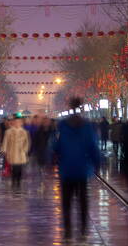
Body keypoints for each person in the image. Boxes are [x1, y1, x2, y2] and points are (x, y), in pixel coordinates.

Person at [54, 97, 100, 240]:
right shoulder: (87, 126)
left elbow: (56, 146)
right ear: (81, 107)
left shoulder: (62, 125)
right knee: (82, 201)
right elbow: (93, 146)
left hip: (66, 169)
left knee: (66, 202)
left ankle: (68, 231)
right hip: (82, 169)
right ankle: (83, 230)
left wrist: (53, 159)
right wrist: (97, 164)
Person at [2, 115, 30, 189]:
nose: (17, 123)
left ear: (21, 123)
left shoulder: (24, 132)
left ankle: (18, 181)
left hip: (21, 153)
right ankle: (14, 181)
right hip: (12, 152)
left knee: (19, 168)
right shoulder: (8, 132)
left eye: (19, 122)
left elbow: (27, 142)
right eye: (16, 122)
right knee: (14, 168)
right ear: (13, 123)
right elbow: (5, 141)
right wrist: (4, 150)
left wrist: (25, 150)